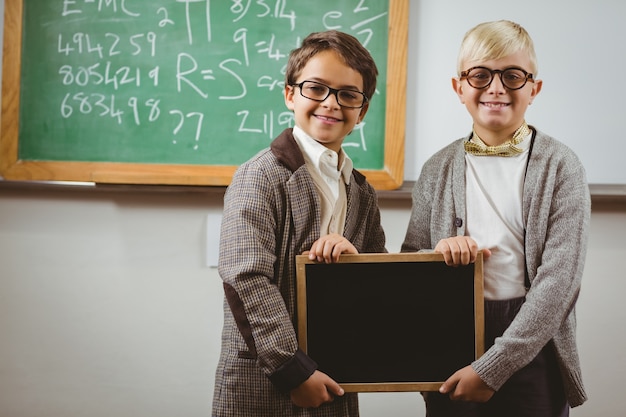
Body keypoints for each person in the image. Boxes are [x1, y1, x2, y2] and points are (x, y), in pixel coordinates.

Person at [401, 20, 590, 416]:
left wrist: (495, 366)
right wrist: (438, 252)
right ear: (459, 88)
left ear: (533, 89)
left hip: (532, 340)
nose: (496, 87)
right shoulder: (437, 168)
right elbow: (411, 266)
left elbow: (560, 279)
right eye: (480, 75)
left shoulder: (561, 166)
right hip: (452, 339)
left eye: (513, 76)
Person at [212, 30, 386, 417]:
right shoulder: (259, 176)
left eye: (348, 94)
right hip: (269, 382)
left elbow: (378, 279)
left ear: (363, 110)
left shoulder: (360, 189)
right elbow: (245, 278)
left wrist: (354, 259)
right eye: (316, 88)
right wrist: (293, 372)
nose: (331, 103)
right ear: (290, 94)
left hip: (335, 379)